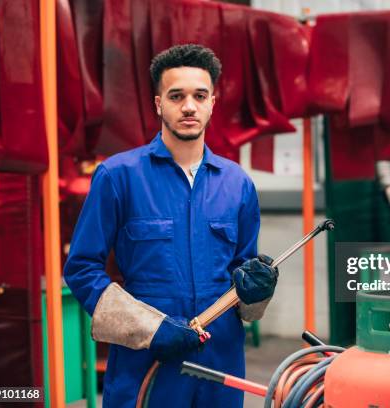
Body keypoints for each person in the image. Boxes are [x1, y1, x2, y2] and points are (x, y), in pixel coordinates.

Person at [64, 44, 278, 407]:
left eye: (200, 95)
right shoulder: (119, 176)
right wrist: (151, 329)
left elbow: (244, 285)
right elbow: (82, 269)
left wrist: (258, 291)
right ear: (158, 103)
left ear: (213, 102)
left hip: (220, 364)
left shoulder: (237, 184)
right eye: (176, 96)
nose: (189, 106)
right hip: (145, 363)